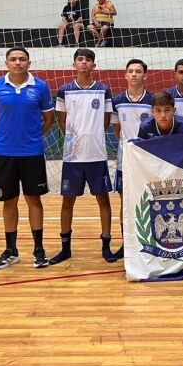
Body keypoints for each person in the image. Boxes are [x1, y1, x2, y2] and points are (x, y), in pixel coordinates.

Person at [0, 47, 55, 270]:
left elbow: (48, 119)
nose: (18, 63)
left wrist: (31, 138)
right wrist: (9, 139)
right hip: (4, 153)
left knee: (34, 200)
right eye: (13, 59)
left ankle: (39, 250)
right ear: (6, 63)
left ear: (29, 63)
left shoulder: (41, 87)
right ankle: (11, 250)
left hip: (32, 153)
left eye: (22, 59)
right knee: (9, 201)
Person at [49, 49, 115, 265]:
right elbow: (62, 120)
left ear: (93, 65)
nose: (84, 63)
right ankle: (65, 248)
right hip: (72, 156)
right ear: (74, 64)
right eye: (80, 59)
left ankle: (106, 245)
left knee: (103, 199)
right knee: (68, 201)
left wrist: (92, 135)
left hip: (97, 154)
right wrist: (73, 140)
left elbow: (106, 122)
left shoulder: (104, 90)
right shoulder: (64, 90)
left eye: (88, 60)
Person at [110, 58, 153, 259]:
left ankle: (149, 240)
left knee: (149, 200)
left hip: (147, 161)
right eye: (131, 71)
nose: (134, 74)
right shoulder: (117, 100)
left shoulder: (153, 101)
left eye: (138, 71)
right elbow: (118, 129)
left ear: (145, 75)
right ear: (125, 75)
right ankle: (126, 243)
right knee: (125, 201)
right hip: (124, 160)